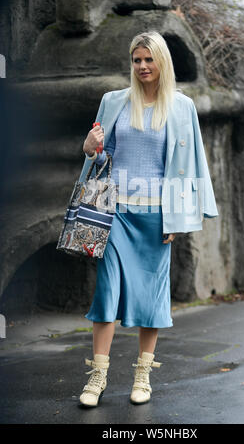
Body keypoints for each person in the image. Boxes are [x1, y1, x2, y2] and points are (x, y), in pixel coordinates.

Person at [78, 31, 219, 408]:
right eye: (136, 60)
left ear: (162, 63)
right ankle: (98, 376)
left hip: (158, 216)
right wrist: (90, 150)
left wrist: (180, 217)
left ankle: (143, 375)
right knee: (107, 291)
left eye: (148, 60)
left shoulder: (182, 107)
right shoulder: (113, 102)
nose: (142, 66)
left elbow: (190, 164)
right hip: (115, 212)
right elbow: (99, 156)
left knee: (152, 297)